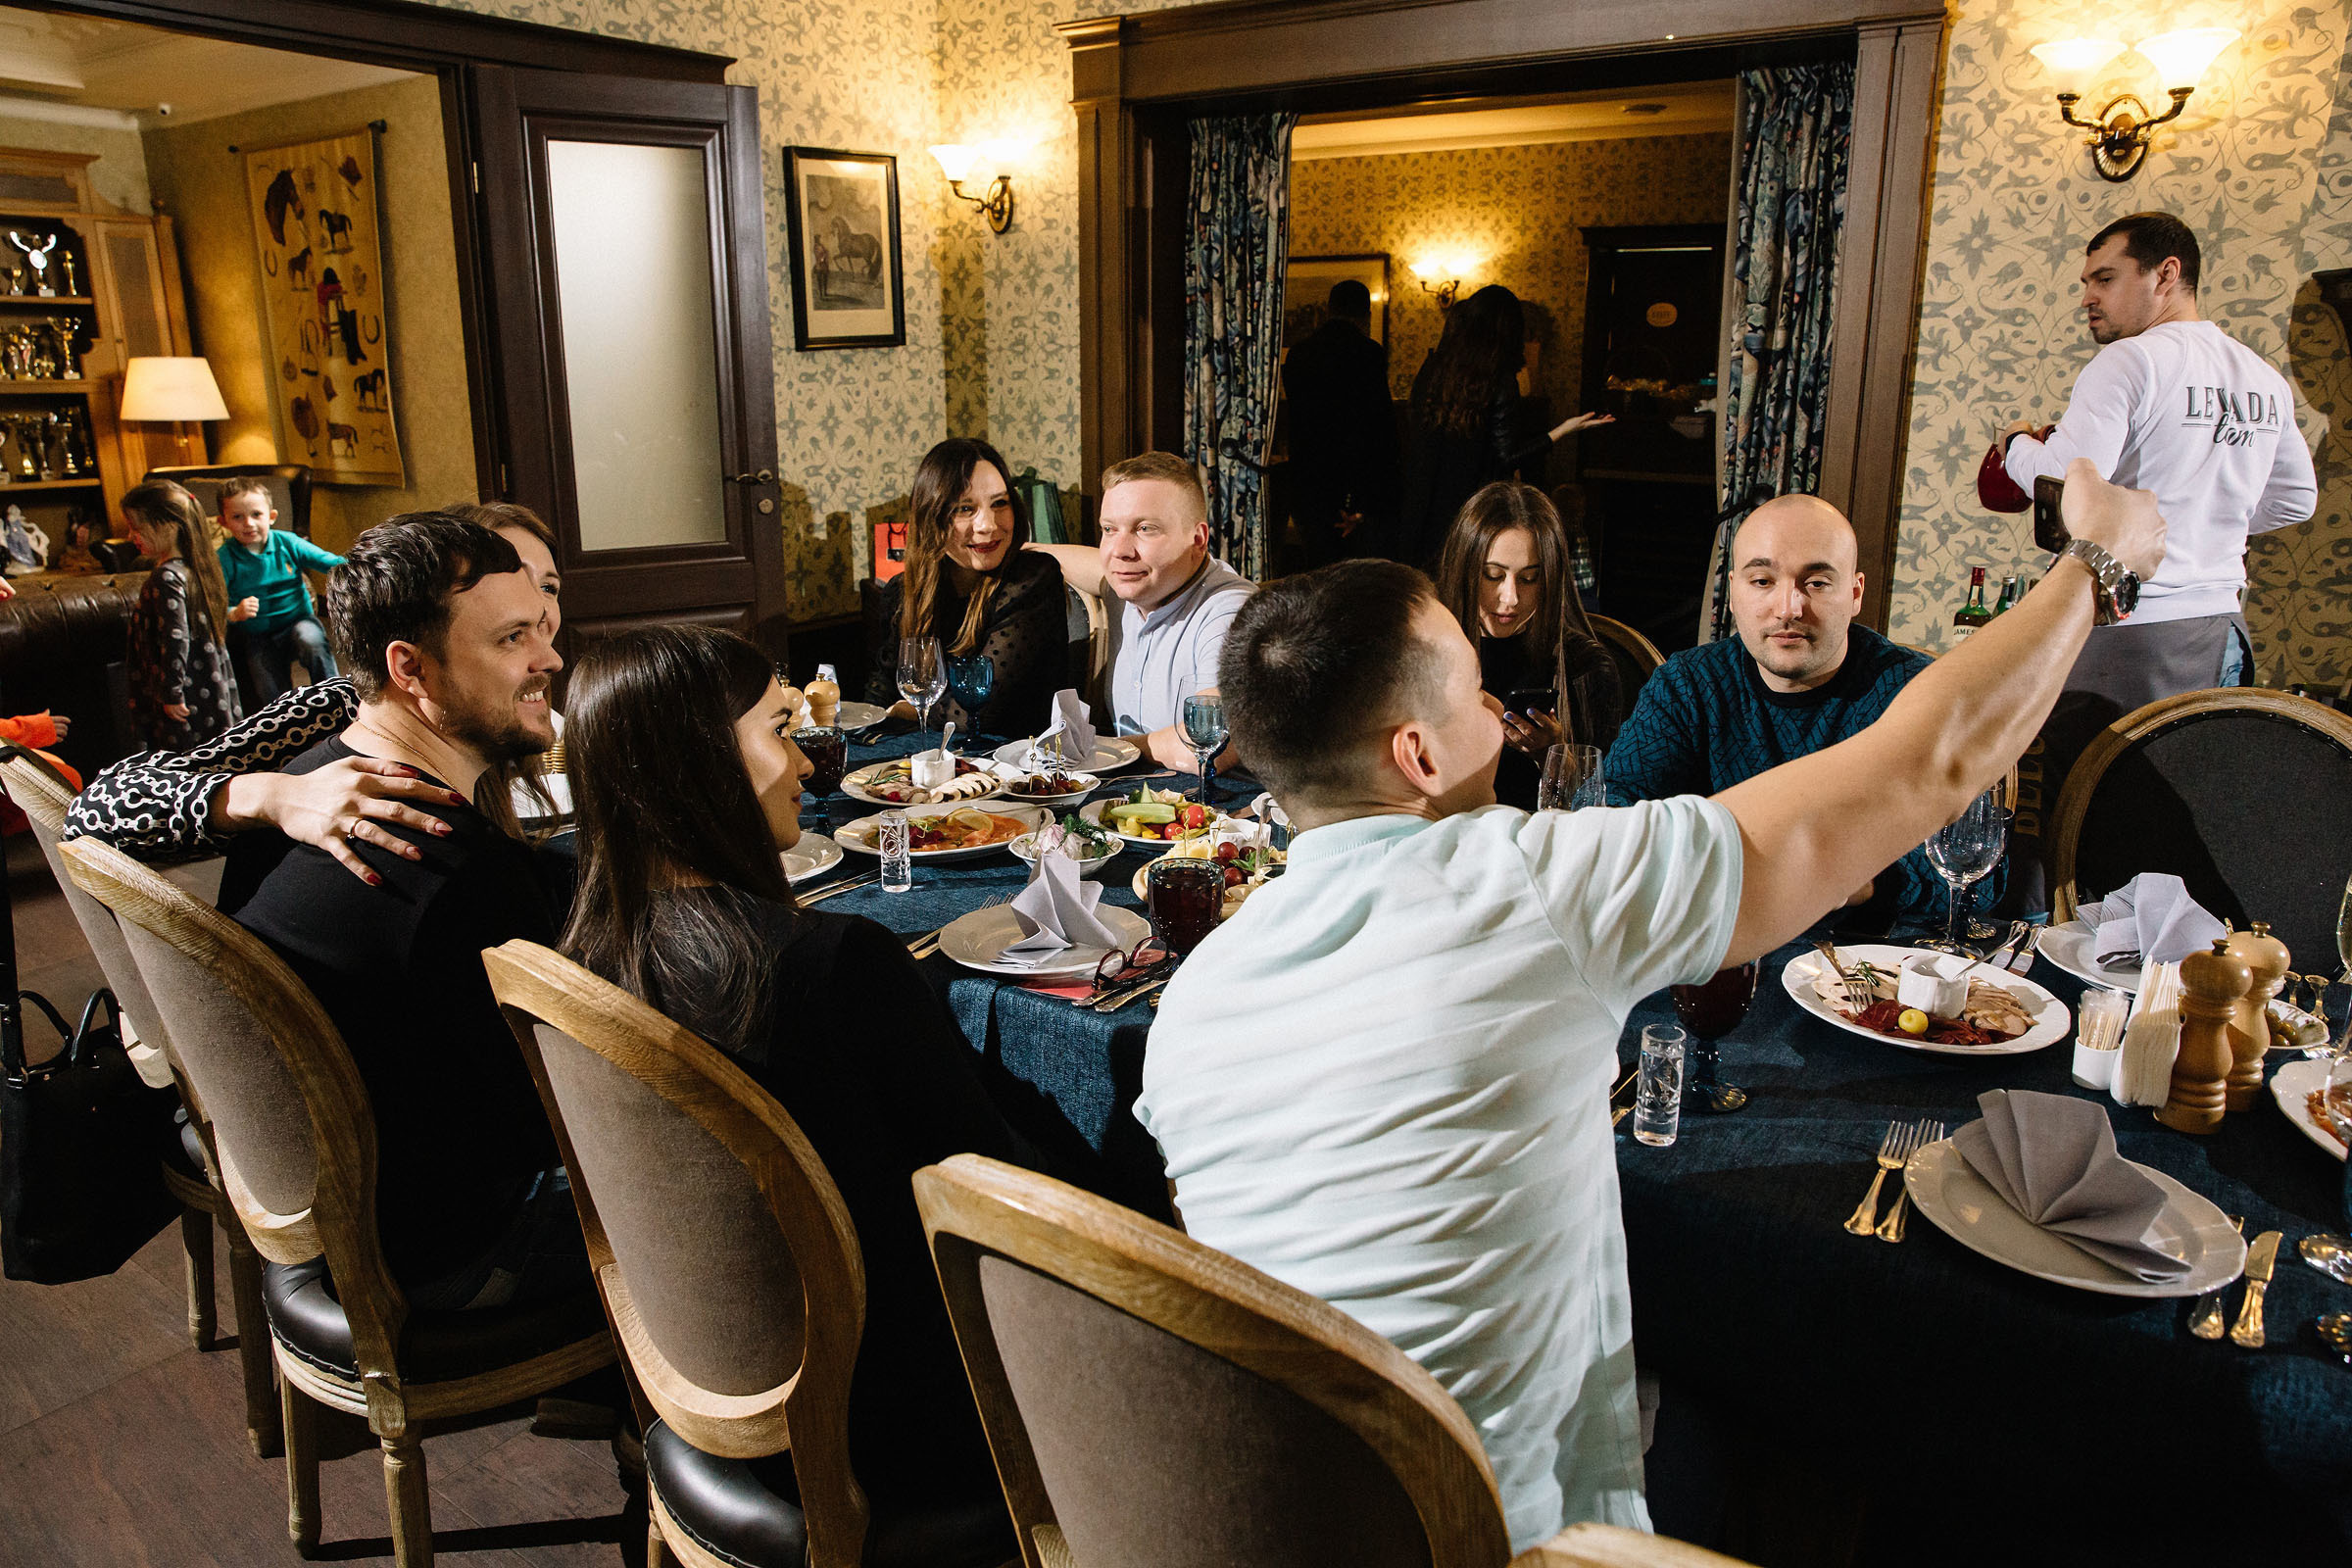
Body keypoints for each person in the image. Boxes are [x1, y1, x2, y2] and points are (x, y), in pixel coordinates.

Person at [1136, 458, 2162, 1550]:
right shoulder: (1539, 886)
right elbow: (1938, 755)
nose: (1496, 696)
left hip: (1292, 1516)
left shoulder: (1191, 1002)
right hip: (1516, 1533)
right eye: (1472, 681)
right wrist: (2095, 565)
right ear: (1419, 754)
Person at [562, 623, 1037, 1525]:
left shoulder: (580, 957)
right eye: (779, 732)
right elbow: (992, 1186)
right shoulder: (833, 967)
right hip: (892, 1421)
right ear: (701, 766)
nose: (805, 769)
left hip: (701, 1378)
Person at [223, 513, 575, 1308]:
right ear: (410, 669)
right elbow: (563, 1124)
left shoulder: (298, 793)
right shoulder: (452, 866)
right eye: (511, 638)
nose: (549, 658)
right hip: (445, 1254)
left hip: (348, 1214)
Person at [1998, 211, 2317, 901]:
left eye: (2106, 278)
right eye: (2086, 281)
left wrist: (2015, 444)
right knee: (2181, 834)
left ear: (2166, 273)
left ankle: (2079, 994)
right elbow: (2296, 500)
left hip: (2130, 637)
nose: (2088, 296)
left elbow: (2061, 480)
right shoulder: (2261, 376)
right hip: (2223, 636)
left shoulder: (2131, 362)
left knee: (2090, 838)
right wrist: (2202, 520)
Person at [65, 501, 565, 880]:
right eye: (509, 582)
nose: (538, 610)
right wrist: (276, 794)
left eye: (548, 587)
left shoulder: (546, 718)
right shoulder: (342, 710)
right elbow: (97, 809)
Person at [1605, 494, 1969, 931]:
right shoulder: (1688, 685)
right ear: (1733, 592)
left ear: (1854, 594)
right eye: (1762, 581)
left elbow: (1979, 873)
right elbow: (1613, 817)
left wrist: (1861, 882)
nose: (1788, 609)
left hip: (1869, 963)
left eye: (1816, 583)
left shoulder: (1917, 692)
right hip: (1718, 944)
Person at [1029, 452, 1252, 771]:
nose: (1119, 551)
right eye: (1109, 529)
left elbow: (1213, 745)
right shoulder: (1133, 581)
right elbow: (1067, 559)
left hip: (1221, 808)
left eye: (1145, 529)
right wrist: (1008, 547)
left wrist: (1105, 750)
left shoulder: (1231, 612)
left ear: (1198, 540)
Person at [1396, 284, 1612, 565]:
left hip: (1421, 507)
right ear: (1510, 329)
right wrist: (1562, 431)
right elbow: (1506, 457)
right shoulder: (1499, 379)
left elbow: (1418, 435)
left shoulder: (1434, 369)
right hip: (1473, 511)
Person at [1434, 481, 1621, 808]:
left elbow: (1606, 804)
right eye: (1492, 575)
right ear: (1463, 570)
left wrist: (1553, 755)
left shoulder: (1584, 667)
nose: (1510, 598)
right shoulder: (1427, 651)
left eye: (1529, 578)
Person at [864, 438, 1066, 738]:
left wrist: (906, 709)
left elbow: (974, 713)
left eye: (1000, 503)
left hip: (1019, 769)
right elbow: (877, 698)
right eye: (964, 509)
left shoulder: (1032, 579)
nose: (987, 524)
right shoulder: (902, 590)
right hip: (932, 759)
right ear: (931, 516)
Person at [1282, 279, 1398, 566]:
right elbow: (1376, 430)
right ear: (1365, 314)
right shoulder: (1369, 353)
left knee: (1316, 567)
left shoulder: (1298, 354)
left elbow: (1299, 425)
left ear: (1329, 309)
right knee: (1356, 576)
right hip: (1352, 485)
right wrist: (1363, 503)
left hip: (1308, 484)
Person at [122, 480, 243, 752]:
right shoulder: (196, 569)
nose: (131, 536)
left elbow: (175, 637)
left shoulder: (167, 577)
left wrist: (171, 692)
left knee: (184, 752)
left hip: (186, 688)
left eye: (137, 528)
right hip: (205, 680)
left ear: (168, 525)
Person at [216, 476, 345, 704]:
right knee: (271, 694)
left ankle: (336, 698)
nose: (248, 523)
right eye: (237, 517)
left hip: (298, 621)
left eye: (256, 514)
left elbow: (327, 560)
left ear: (271, 517)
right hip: (258, 636)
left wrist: (359, 566)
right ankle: (287, 721)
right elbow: (213, 601)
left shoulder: (287, 542)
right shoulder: (225, 557)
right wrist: (234, 612)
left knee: (312, 642)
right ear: (223, 522)